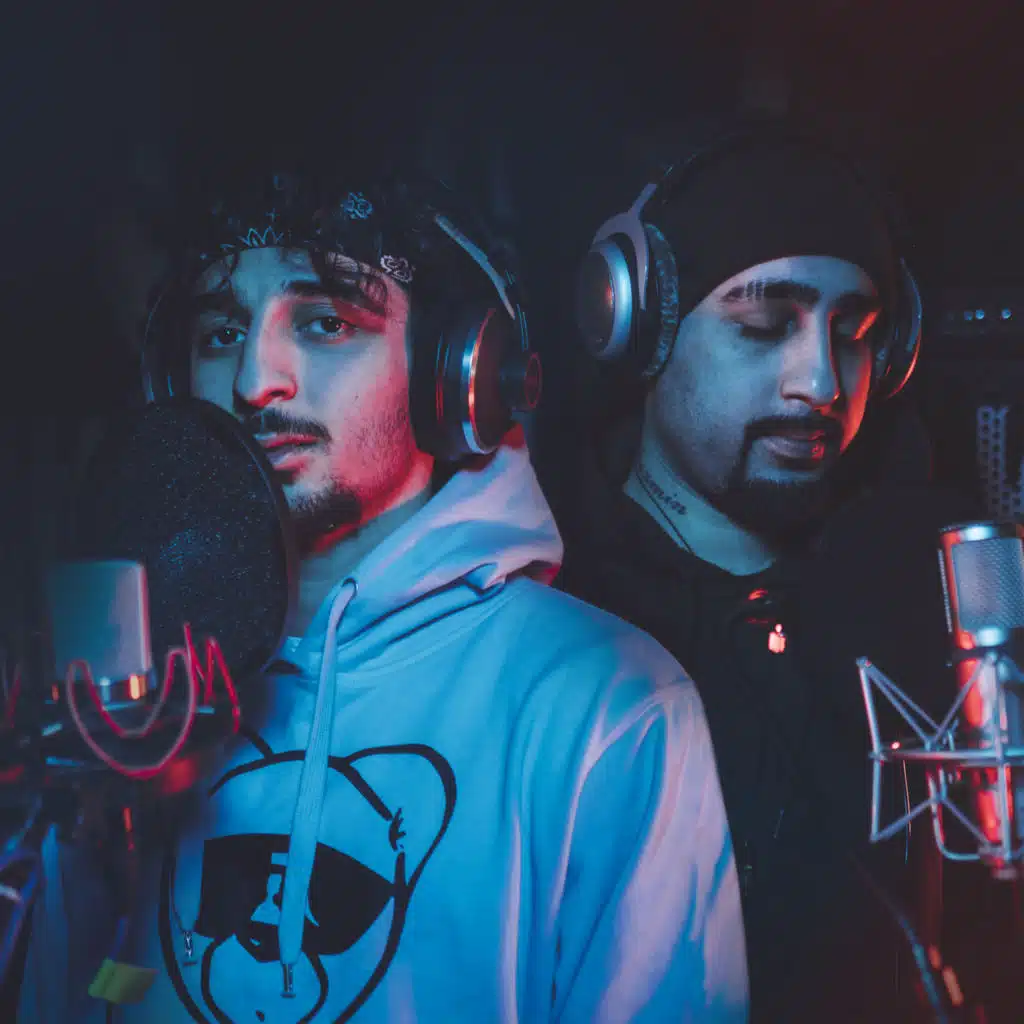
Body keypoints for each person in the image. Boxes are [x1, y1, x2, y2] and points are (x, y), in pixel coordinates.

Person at [18, 167, 748, 1023]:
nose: (254, 380)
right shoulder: (130, 698)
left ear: (459, 374)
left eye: (326, 323)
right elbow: (90, 994)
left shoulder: (606, 708)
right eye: (221, 332)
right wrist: (89, 866)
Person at [560, 123, 997, 1021]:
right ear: (639, 330)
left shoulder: (932, 585)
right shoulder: (559, 612)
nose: (822, 384)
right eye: (765, 327)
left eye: (855, 334)